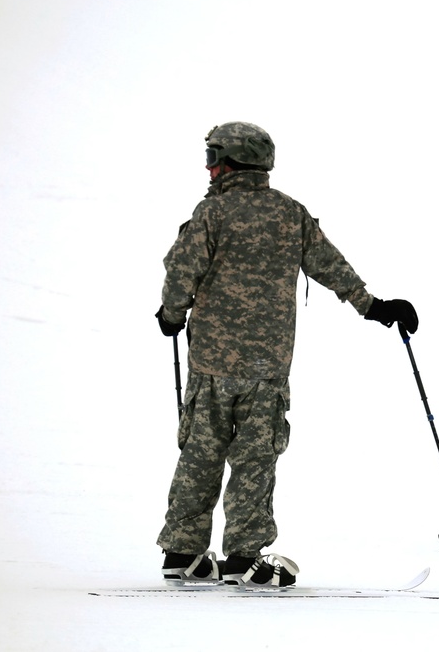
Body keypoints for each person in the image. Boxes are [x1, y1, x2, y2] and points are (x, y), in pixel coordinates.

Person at [153, 122, 417, 586]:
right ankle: (242, 557)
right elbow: (330, 265)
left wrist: (173, 314)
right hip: (265, 367)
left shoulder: (211, 213)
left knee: (200, 452)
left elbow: (181, 270)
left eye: (214, 157)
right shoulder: (290, 213)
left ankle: (184, 552)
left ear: (233, 161)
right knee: (255, 458)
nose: (210, 168)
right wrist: (372, 306)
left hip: (211, 363)